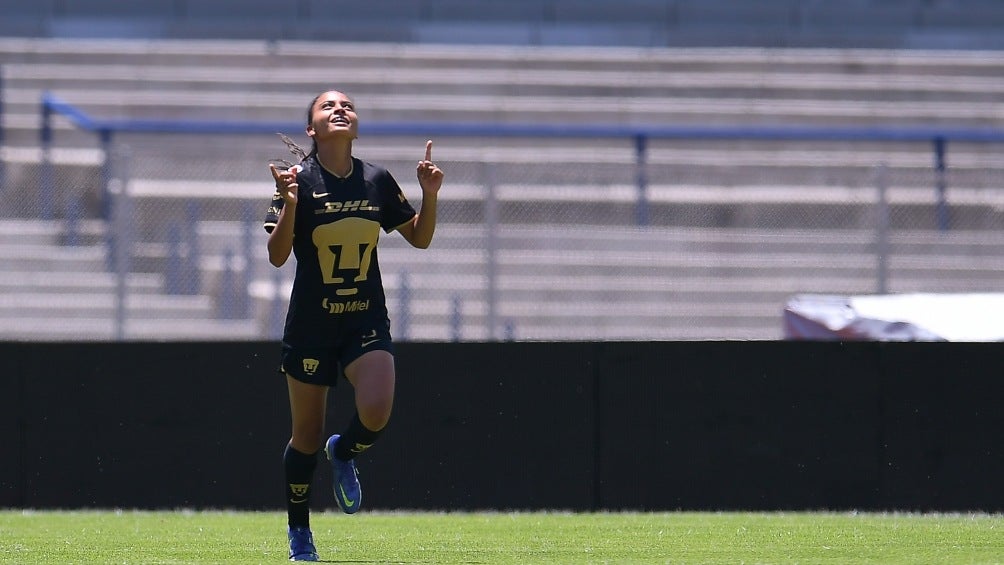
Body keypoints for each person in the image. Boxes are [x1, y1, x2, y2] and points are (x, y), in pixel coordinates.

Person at [263, 89, 443, 562]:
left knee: (378, 409)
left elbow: (420, 238)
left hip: (364, 317)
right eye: (328, 107)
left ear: (356, 126)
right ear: (311, 129)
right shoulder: (296, 181)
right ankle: (300, 533)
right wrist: (288, 204)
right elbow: (277, 256)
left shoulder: (376, 180)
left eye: (347, 106)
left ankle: (343, 452)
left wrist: (429, 194)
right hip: (311, 326)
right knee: (305, 435)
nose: (340, 110)